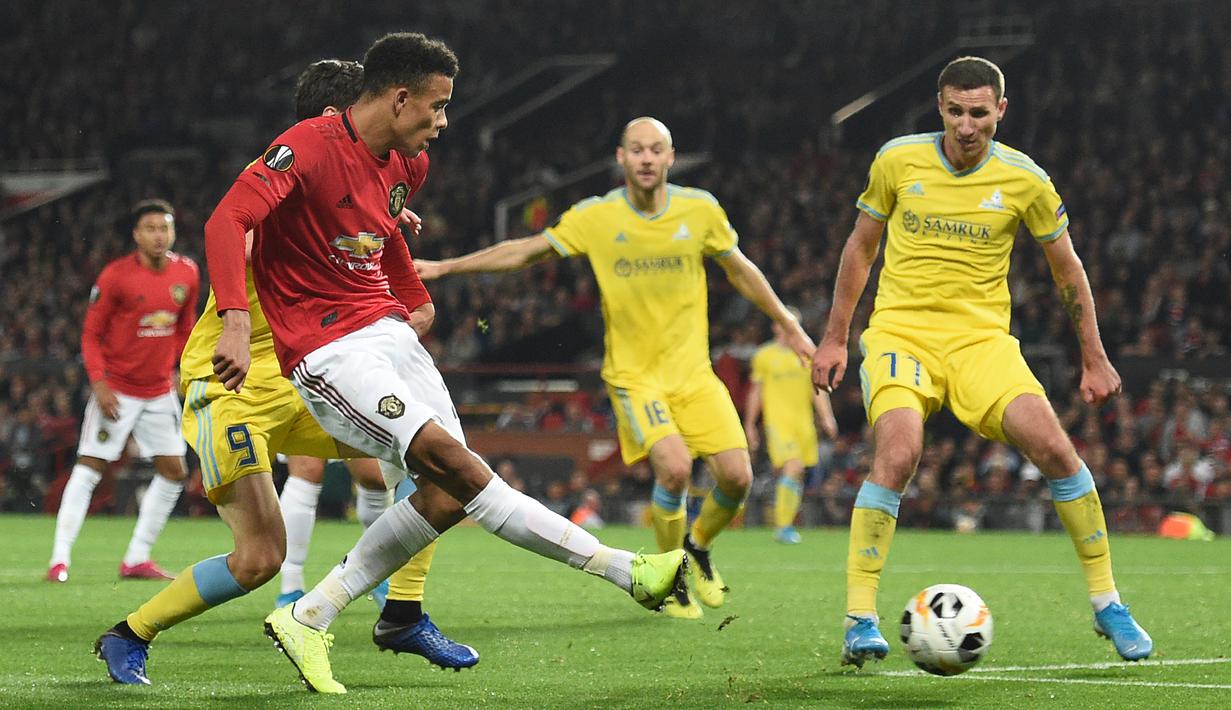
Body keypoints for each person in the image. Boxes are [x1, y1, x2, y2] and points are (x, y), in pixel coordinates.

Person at [204, 33, 687, 693]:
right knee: (458, 466)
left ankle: (311, 614)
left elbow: (387, 234)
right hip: (328, 349)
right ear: (399, 98)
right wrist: (234, 319)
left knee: (446, 495)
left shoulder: (407, 166)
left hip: (390, 335)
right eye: (435, 106)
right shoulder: (307, 146)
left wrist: (416, 301)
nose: (443, 121)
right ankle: (623, 570)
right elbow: (227, 219)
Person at [94, 57, 476, 689]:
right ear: (335, 118)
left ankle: (403, 611)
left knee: (437, 463)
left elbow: (368, 247)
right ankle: (129, 634)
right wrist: (241, 322)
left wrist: (384, 232)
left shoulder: (363, 185)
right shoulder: (287, 180)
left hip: (306, 373)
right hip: (233, 385)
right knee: (257, 560)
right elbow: (234, 230)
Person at [810, 56, 1153, 667]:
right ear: (940, 107)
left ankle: (1108, 604)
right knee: (899, 452)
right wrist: (835, 338)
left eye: (979, 113)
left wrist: (1094, 358)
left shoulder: (1026, 179)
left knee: (1056, 450)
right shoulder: (897, 160)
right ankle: (859, 618)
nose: (967, 126)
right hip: (901, 335)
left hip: (982, 343)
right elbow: (861, 247)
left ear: (1001, 109)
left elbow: (1067, 268)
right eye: (955, 112)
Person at [417, 117, 812, 619]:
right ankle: (672, 578)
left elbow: (740, 270)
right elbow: (526, 251)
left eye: (656, 150)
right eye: (637, 150)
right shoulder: (596, 217)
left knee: (737, 478)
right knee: (673, 468)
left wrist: (789, 324)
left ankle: (700, 546)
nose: (647, 159)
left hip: (694, 373)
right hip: (634, 375)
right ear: (621, 158)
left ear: (671, 158)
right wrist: (447, 268)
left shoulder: (701, 210)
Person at [49, 199, 200, 583]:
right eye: (150, 228)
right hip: (116, 390)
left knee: (174, 471)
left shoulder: (187, 273)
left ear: (173, 232)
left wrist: (182, 368)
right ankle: (59, 559)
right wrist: (99, 383)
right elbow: (90, 334)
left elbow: (185, 327)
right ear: (136, 235)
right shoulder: (116, 276)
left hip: (157, 392)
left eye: (164, 228)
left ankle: (137, 557)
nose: (158, 235)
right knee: (90, 468)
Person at [743, 308, 837, 544]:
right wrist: (751, 424)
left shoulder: (806, 353)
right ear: (776, 325)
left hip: (803, 424)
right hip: (778, 424)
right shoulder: (764, 355)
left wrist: (827, 417)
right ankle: (783, 526)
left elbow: (817, 390)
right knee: (792, 466)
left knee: (797, 474)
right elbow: (757, 391)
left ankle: (785, 524)